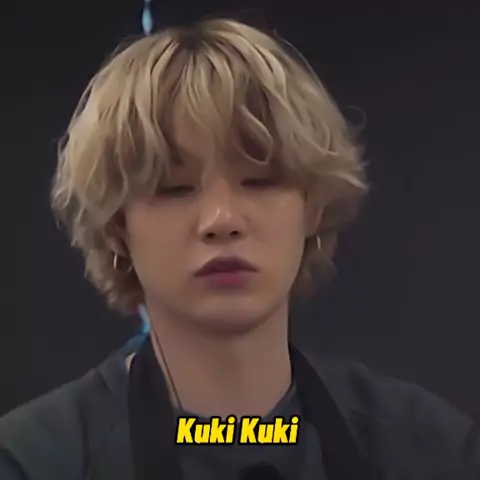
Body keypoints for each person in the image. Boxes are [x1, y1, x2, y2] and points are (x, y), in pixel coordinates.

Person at [1, 17, 478, 480]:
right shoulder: (34, 460)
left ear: (312, 208)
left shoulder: (432, 450)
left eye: (260, 180)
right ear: (116, 228)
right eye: (174, 188)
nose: (222, 220)